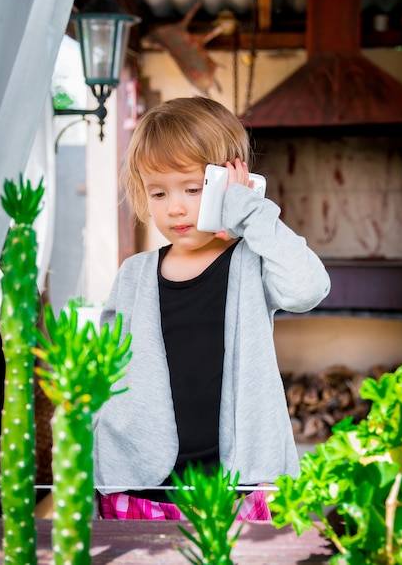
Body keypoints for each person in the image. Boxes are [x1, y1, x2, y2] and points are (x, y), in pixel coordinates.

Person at [93, 96, 331, 521]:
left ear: (229, 182)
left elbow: (308, 287)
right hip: (145, 487)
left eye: (193, 187)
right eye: (158, 192)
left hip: (235, 488)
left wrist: (250, 213)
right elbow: (106, 372)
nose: (176, 207)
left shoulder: (251, 261)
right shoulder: (133, 275)